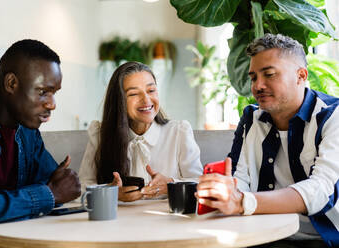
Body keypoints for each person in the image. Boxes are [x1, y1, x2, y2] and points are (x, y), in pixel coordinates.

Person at [196, 33, 338, 247]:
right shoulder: (251, 119)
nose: (258, 86)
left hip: (323, 240)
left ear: (301, 76)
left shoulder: (331, 116)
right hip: (264, 236)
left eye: (269, 74)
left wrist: (243, 202)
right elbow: (238, 179)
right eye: (253, 77)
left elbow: (321, 189)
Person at [0, 40, 81, 245]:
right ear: (11, 84)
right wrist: (47, 195)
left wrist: (56, 187)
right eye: (43, 91)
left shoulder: (27, 129)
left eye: (54, 93)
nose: (52, 104)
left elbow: (53, 185)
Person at [79, 61, 202, 202]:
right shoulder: (100, 135)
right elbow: (81, 189)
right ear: (119, 101)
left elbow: (199, 183)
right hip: (118, 222)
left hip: (167, 221)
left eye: (151, 90)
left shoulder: (179, 132)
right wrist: (111, 194)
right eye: (134, 94)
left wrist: (170, 184)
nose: (146, 100)